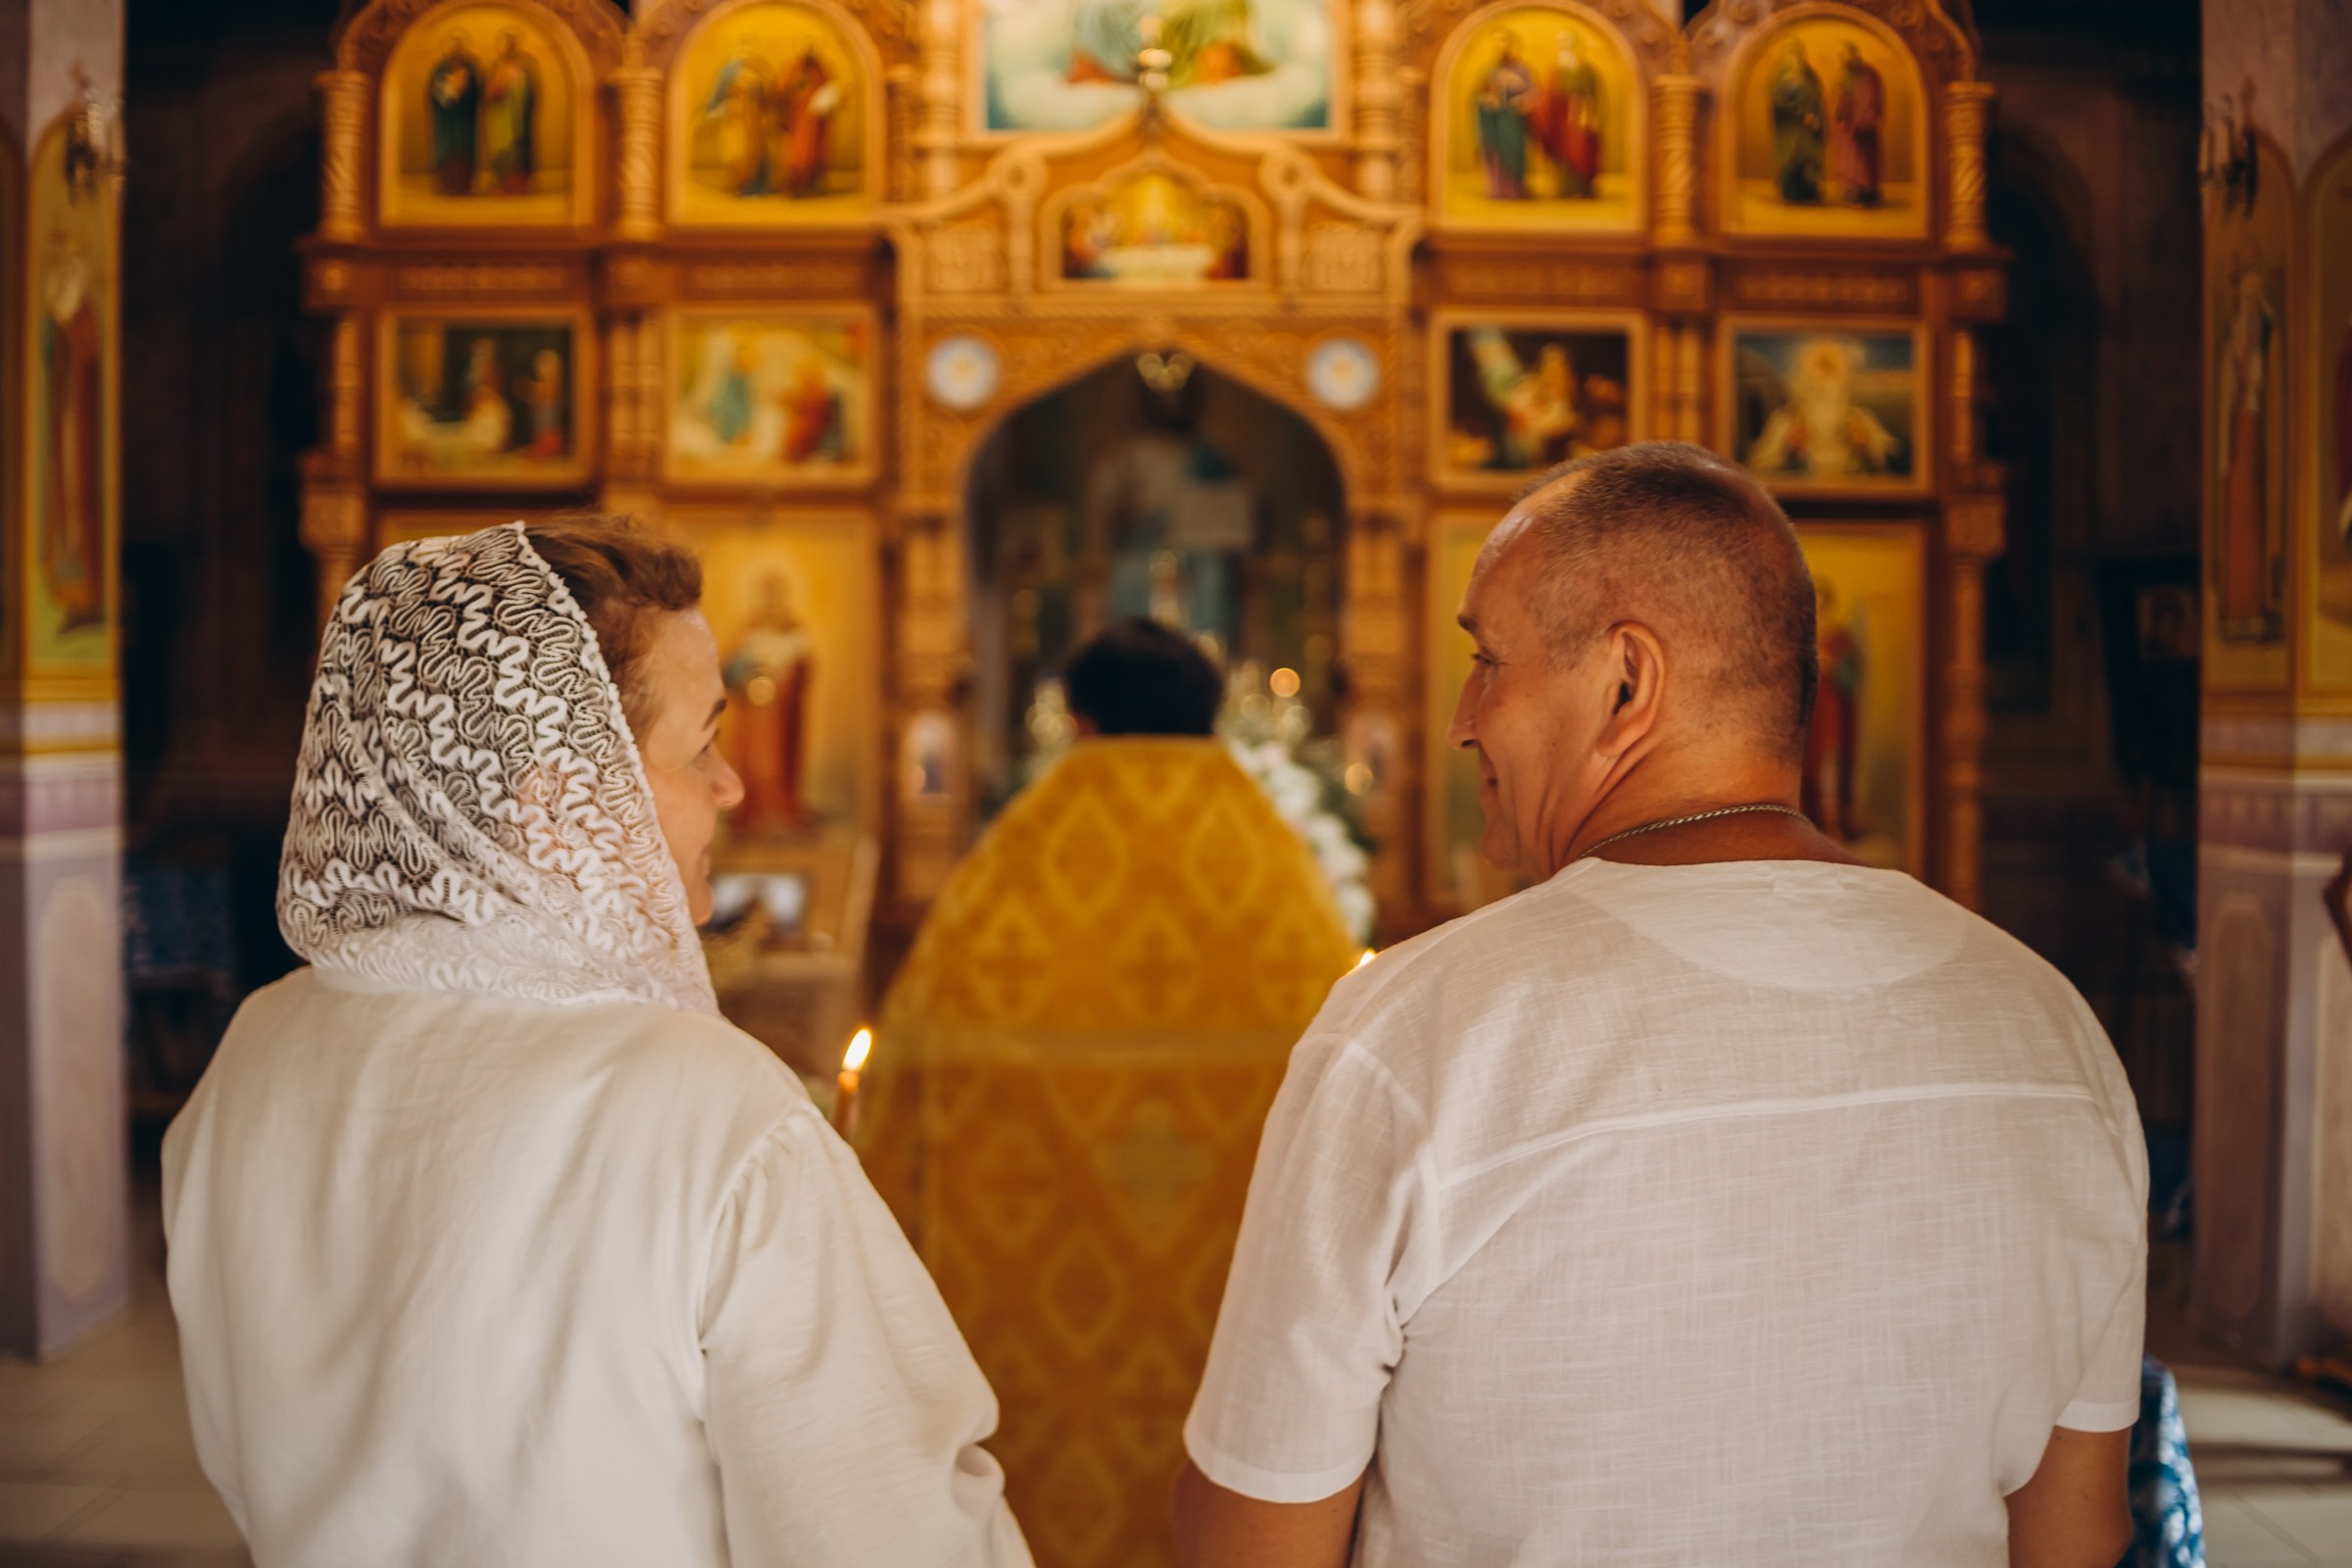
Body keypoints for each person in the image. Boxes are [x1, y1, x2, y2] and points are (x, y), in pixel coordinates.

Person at [1175, 443, 2145, 1568]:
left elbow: (1253, 1545)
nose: (1463, 719)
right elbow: (2074, 1537)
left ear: (1627, 684)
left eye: (1489, 661)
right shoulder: (2053, 1036)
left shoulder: (1416, 1036)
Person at [164, 517, 1032, 1568]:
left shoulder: (251, 1057)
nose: (735, 786)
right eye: (703, 742)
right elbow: (887, 1533)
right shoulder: (715, 1111)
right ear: (562, 808)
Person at [860, 617, 1358, 1568]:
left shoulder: (1010, 876)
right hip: (1238, 1366)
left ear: (1079, 721)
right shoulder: (1277, 879)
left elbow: (899, 1105)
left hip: (1034, 1362)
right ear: (1213, 719)